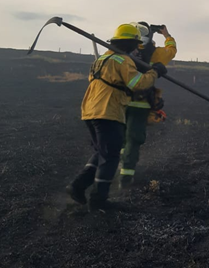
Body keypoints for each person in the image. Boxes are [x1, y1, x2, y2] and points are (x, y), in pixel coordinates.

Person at [66, 24, 167, 210]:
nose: (137, 48)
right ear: (128, 43)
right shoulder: (122, 60)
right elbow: (137, 83)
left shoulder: (103, 59)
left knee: (102, 152)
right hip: (108, 111)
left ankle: (78, 186)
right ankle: (98, 200)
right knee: (111, 155)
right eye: (135, 44)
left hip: (90, 110)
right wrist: (156, 72)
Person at [119, 23, 177, 188]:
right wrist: (166, 35)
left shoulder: (123, 50)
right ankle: (126, 175)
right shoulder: (156, 53)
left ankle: (118, 164)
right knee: (134, 137)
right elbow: (171, 50)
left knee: (121, 134)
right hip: (141, 101)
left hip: (119, 100)